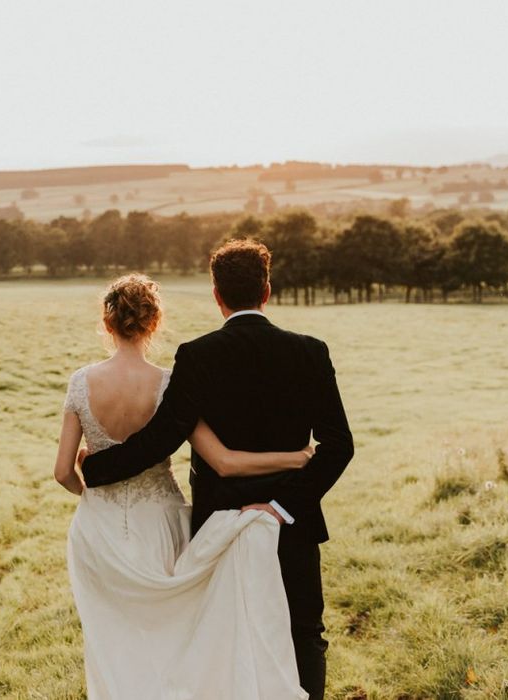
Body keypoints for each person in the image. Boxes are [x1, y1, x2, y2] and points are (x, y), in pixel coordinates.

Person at [80, 241, 355, 700]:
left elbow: (162, 438)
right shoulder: (311, 352)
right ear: (266, 291)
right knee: (303, 632)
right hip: (291, 523)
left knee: (223, 635)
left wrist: (96, 468)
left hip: (218, 523)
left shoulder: (198, 355)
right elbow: (338, 446)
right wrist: (280, 508)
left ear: (216, 294)